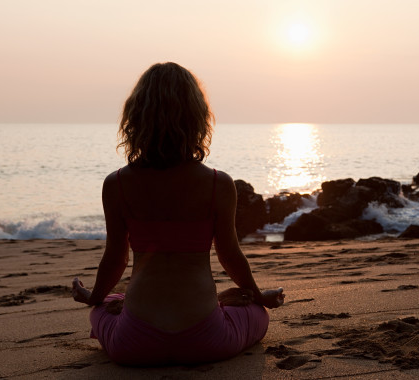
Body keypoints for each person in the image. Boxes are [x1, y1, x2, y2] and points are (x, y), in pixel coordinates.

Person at [71, 62, 285, 366]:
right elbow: (230, 256)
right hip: (207, 341)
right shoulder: (217, 184)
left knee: (104, 307)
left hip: (134, 345)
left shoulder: (116, 184)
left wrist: (94, 297)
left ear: (136, 117)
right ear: (197, 118)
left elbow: (116, 259)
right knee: (255, 313)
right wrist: (258, 296)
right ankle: (221, 303)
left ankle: (127, 308)